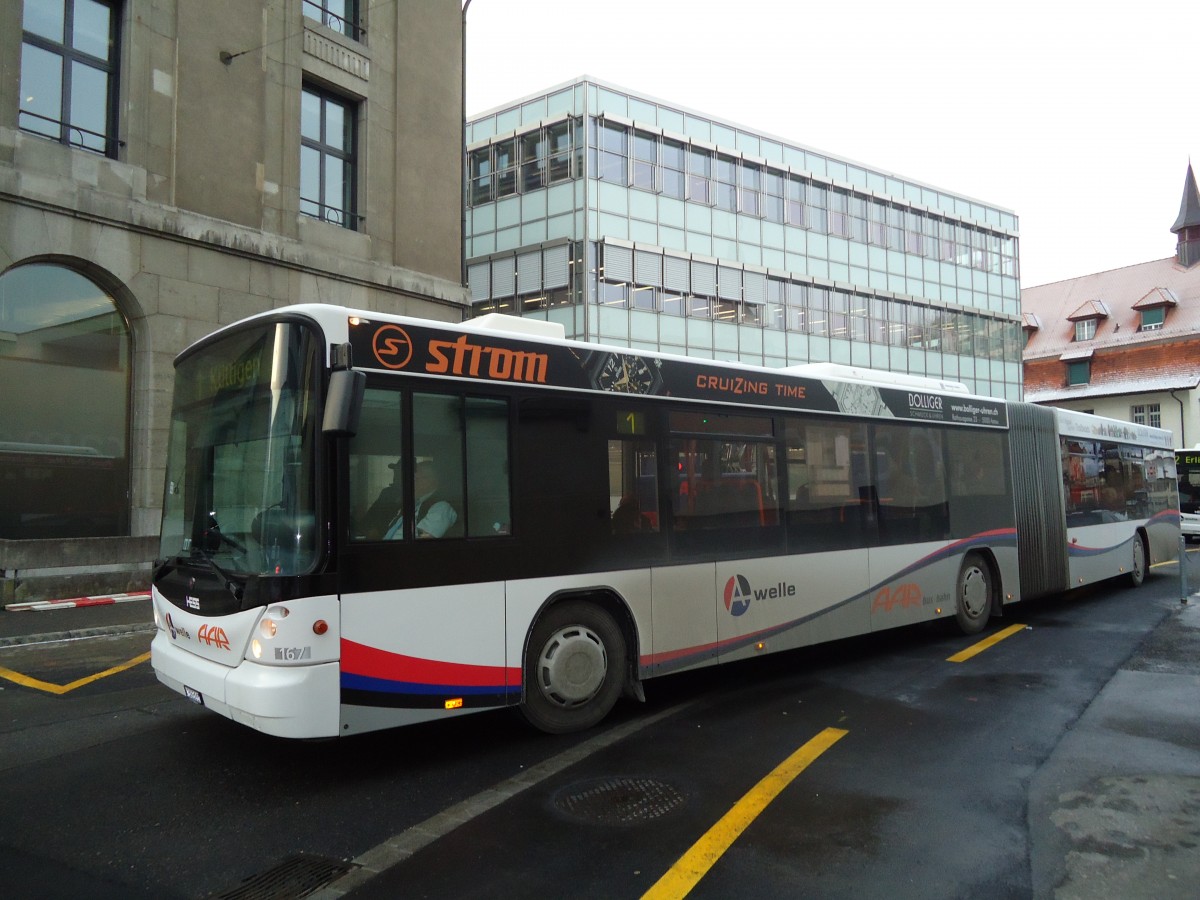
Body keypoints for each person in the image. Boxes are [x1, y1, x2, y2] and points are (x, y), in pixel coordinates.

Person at [361, 459, 458, 540]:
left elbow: (424, 542)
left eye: (416, 478)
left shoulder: (441, 507)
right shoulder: (413, 504)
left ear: (433, 481)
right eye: (412, 477)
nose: (411, 481)